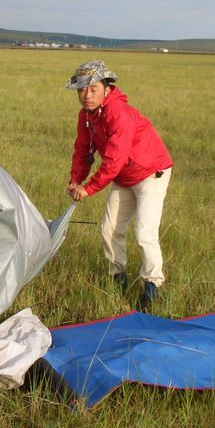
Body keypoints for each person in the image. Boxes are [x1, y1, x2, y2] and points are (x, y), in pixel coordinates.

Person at [65, 60, 173, 310]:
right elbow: (82, 149)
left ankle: (152, 288)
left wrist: (88, 188)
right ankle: (118, 279)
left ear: (107, 88)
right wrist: (75, 179)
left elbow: (115, 159)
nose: (86, 95)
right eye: (81, 89)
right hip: (124, 176)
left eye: (93, 89)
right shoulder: (87, 116)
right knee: (109, 228)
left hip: (150, 173)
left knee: (144, 233)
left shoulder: (118, 113)